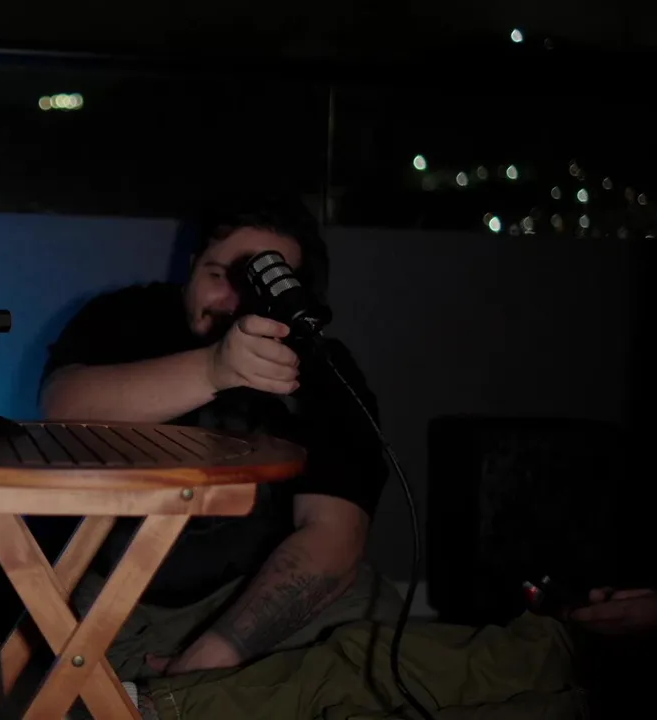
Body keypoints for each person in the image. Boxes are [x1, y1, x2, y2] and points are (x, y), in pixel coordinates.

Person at [34, 195, 403, 681]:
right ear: (191, 268)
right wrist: (214, 368)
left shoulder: (325, 371)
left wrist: (217, 653)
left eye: (258, 284)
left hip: (251, 598)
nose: (232, 301)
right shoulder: (129, 314)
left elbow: (334, 534)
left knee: (382, 641)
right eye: (217, 275)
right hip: (109, 591)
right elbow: (62, 407)